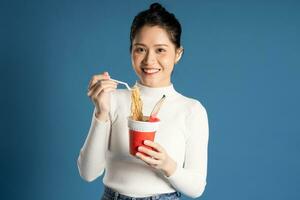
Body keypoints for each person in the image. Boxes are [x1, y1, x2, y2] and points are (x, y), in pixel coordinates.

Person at [77, 3, 209, 200]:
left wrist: (166, 164)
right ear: (131, 51)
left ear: (178, 53)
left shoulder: (191, 110)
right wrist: (101, 113)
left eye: (160, 50)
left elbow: (197, 188)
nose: (149, 60)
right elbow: (88, 173)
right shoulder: (112, 99)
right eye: (140, 49)